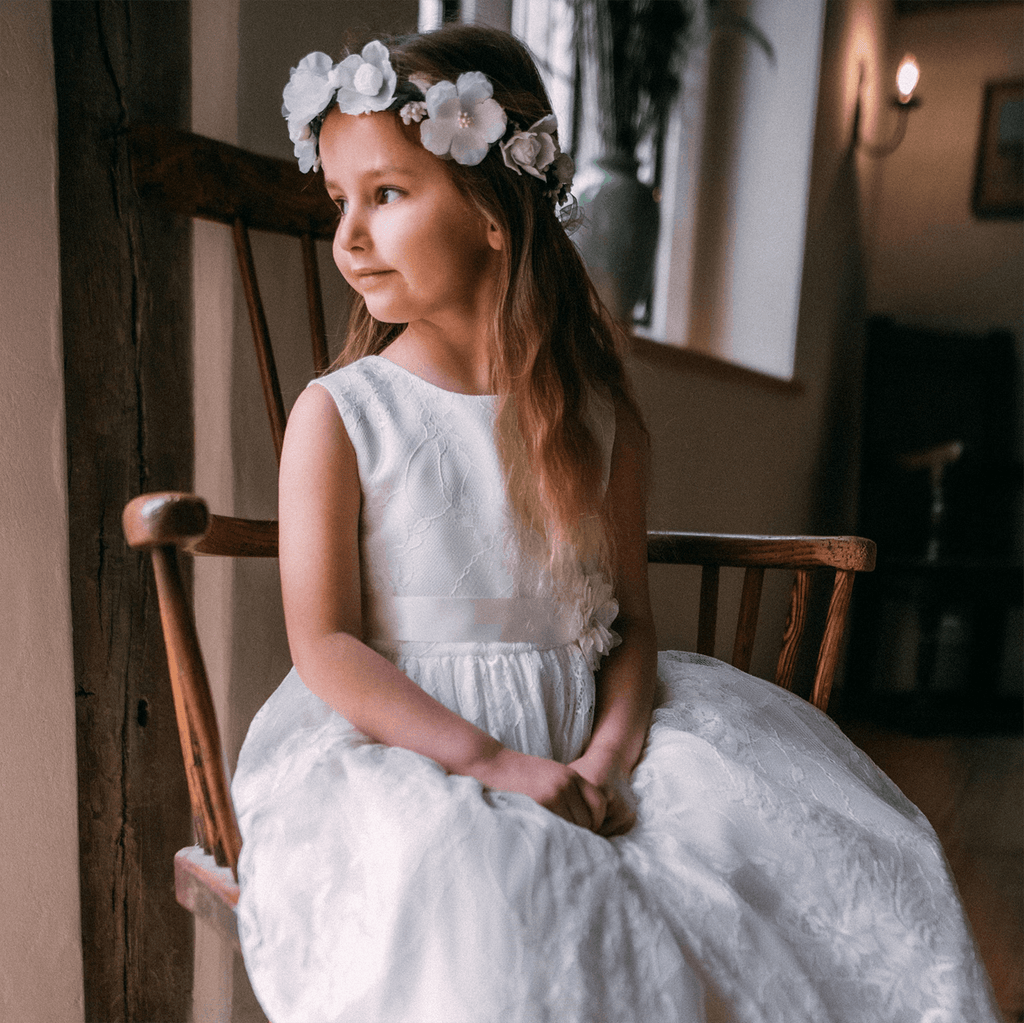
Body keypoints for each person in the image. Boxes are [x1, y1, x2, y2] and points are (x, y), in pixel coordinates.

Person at [231, 24, 1000, 1023]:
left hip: (594, 732)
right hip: (413, 749)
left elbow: (630, 622)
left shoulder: (592, 420)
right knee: (484, 896)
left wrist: (602, 759)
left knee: (765, 861)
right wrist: (490, 765)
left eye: (387, 194)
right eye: (339, 201)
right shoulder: (343, 415)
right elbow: (324, 641)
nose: (349, 237)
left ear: (494, 212)